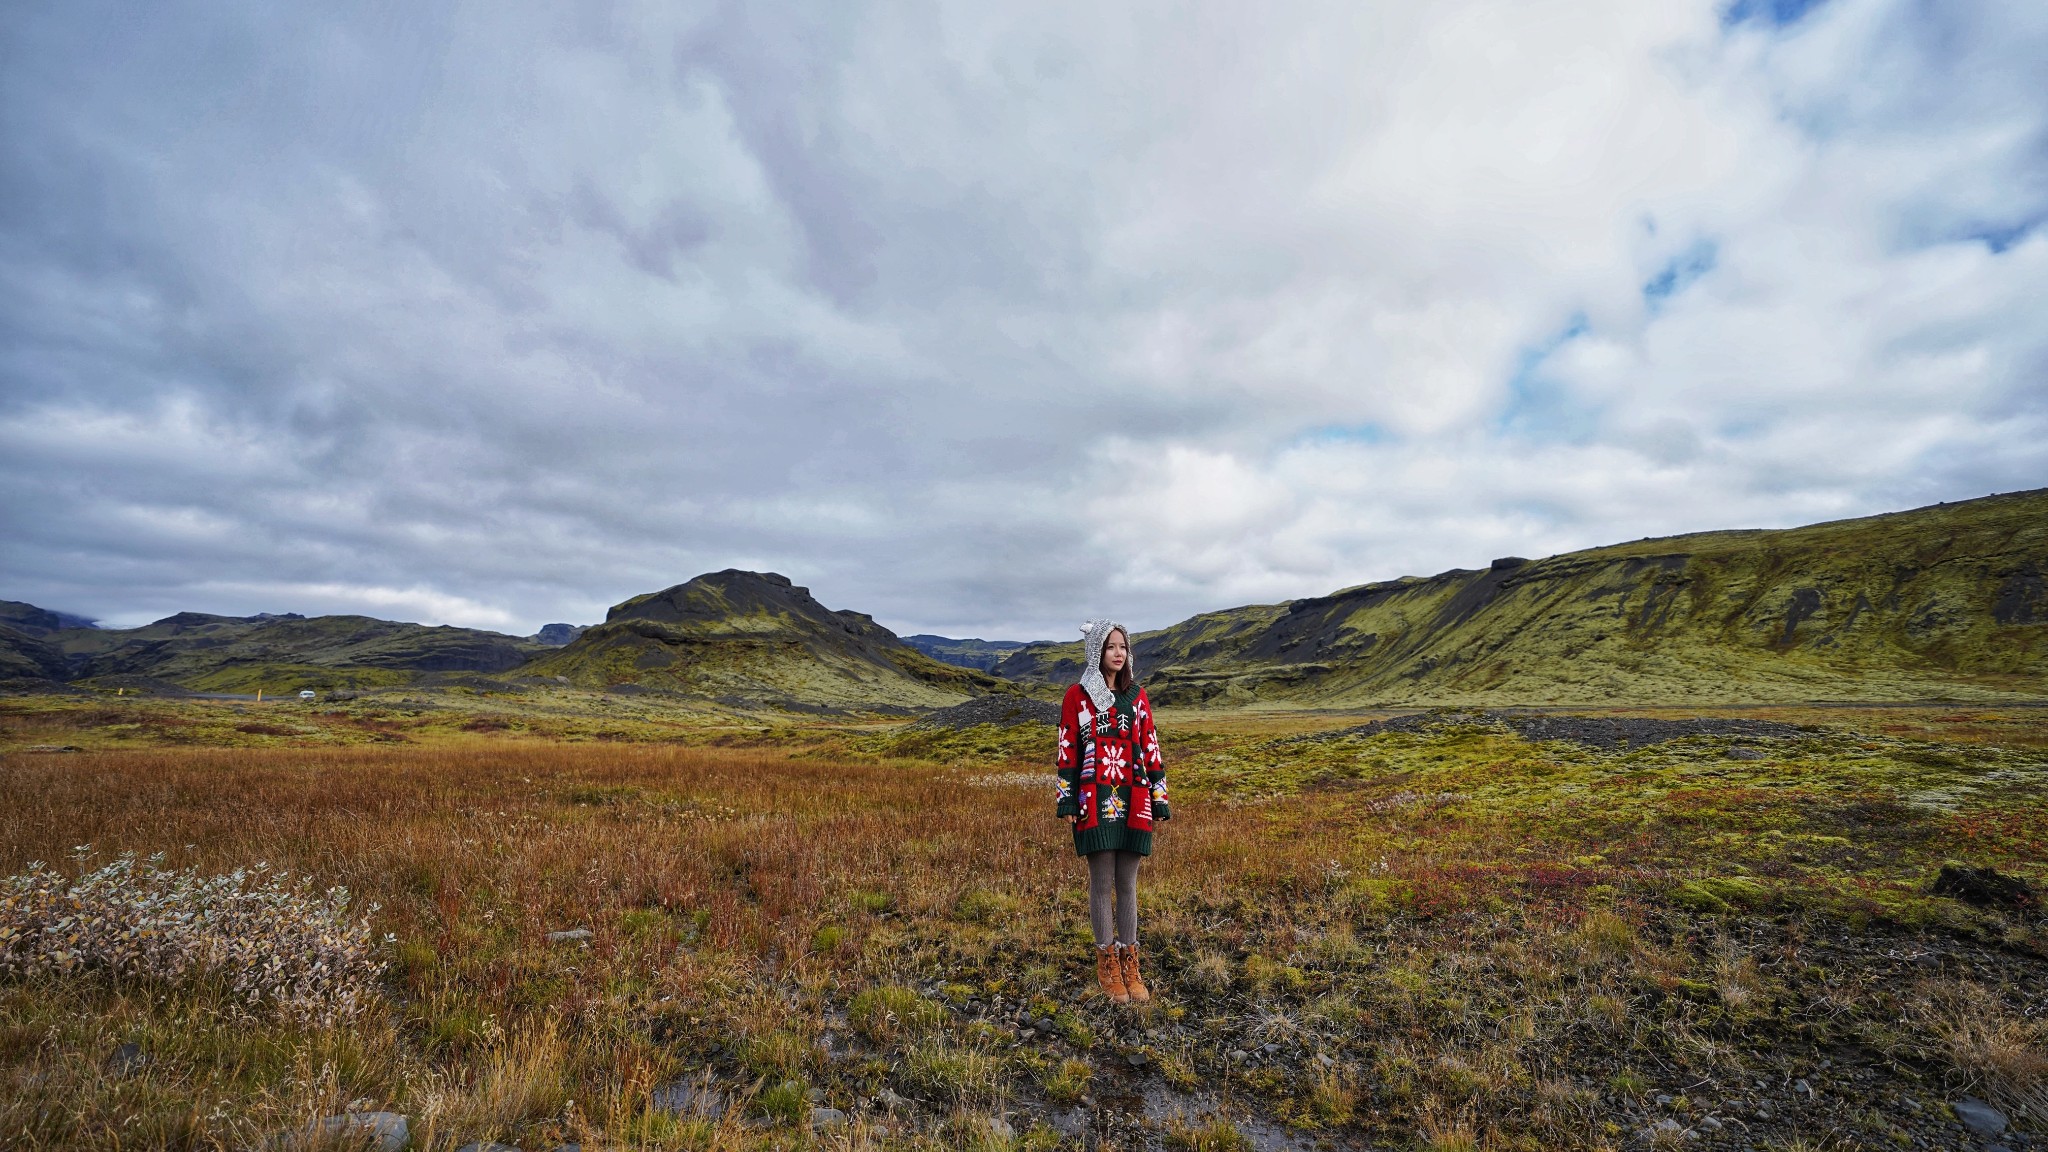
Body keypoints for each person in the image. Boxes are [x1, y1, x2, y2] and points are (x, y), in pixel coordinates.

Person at [1055, 619, 1170, 1004]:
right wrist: (1067, 799)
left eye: (1123, 647)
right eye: (1110, 647)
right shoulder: (1077, 696)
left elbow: (1150, 746)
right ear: (1096, 652)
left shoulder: (1138, 697)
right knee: (1101, 882)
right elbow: (1067, 749)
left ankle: (1130, 961)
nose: (1118, 653)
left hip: (1135, 797)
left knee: (1128, 884)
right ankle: (1107, 963)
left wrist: (1159, 795)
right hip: (1093, 796)